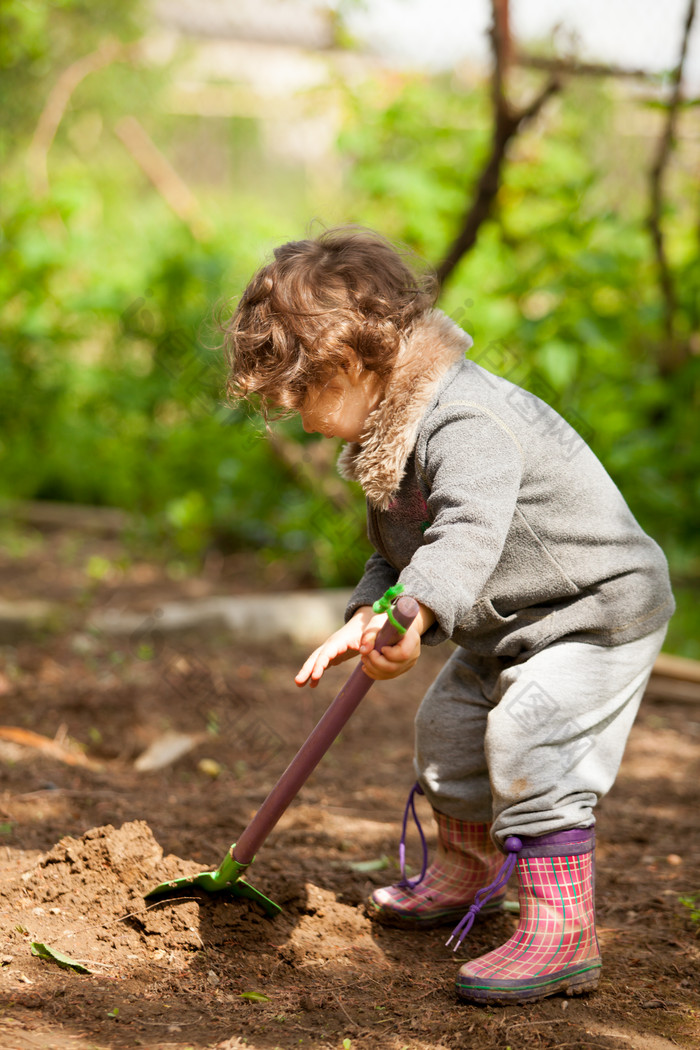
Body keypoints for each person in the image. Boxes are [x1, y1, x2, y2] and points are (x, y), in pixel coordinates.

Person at [223, 225, 674, 1005]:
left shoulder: (466, 421)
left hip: (593, 609)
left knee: (531, 738)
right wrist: (372, 612)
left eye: (300, 395)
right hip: (509, 620)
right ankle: (468, 874)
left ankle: (564, 931)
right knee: (447, 733)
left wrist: (415, 617)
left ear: (351, 363)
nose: (295, 416)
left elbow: (465, 533)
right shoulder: (390, 427)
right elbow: (405, 549)